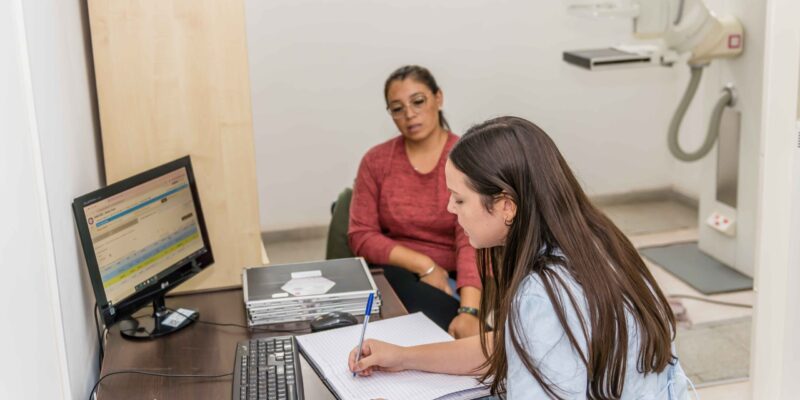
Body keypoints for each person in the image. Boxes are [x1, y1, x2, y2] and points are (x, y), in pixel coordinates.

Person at [348, 116, 690, 399]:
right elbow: (509, 346)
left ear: (506, 206)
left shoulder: (542, 294)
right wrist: (404, 357)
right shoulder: (598, 241)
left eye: (459, 199)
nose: (450, 208)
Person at [348, 65, 482, 339]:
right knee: (391, 287)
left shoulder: (466, 159)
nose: (409, 114)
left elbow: (472, 239)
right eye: (397, 108)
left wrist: (469, 312)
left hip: (457, 280)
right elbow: (361, 235)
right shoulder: (376, 160)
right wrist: (426, 266)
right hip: (396, 272)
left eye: (418, 101)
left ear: (438, 98)